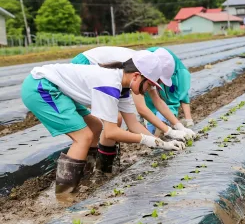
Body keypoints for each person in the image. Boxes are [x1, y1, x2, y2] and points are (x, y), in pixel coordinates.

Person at [21, 51, 185, 195]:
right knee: (83, 137)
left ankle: (86, 176)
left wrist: (161, 143)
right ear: (136, 76)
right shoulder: (109, 84)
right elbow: (112, 132)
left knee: (95, 127)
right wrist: (148, 140)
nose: (147, 89)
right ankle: (64, 194)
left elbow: (133, 124)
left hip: (56, 88)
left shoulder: (123, 87)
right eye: (149, 84)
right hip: (41, 87)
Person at [71, 46, 196, 141]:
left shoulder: (147, 69)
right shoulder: (139, 68)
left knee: (112, 121)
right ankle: (100, 160)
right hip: (85, 68)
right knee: (112, 119)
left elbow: (158, 101)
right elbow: (141, 109)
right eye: (158, 81)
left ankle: (104, 159)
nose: (156, 85)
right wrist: (169, 132)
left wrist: (179, 126)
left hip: (98, 74)